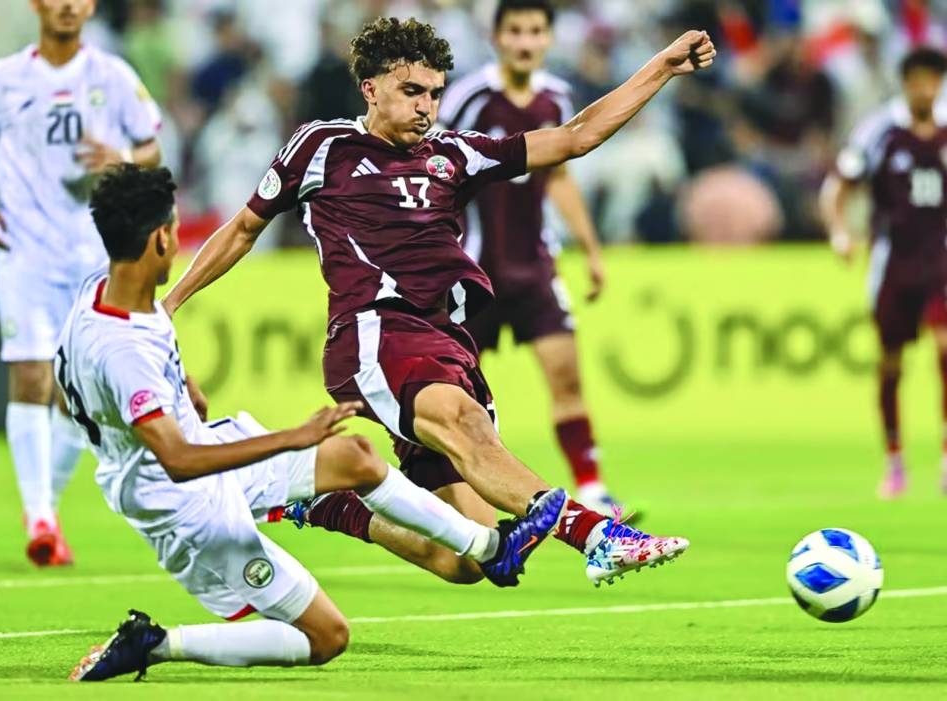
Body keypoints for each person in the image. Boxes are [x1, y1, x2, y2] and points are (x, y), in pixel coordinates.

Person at [164, 17, 714, 586]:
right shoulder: (321, 147)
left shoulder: (455, 155)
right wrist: (171, 301)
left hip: (449, 343)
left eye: (434, 93)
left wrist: (662, 68)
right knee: (463, 421)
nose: (427, 106)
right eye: (411, 92)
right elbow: (242, 229)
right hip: (377, 332)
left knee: (465, 558)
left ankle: (314, 503)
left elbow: (575, 137)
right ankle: (597, 535)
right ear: (371, 89)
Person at [63, 164, 566, 682]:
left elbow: (96, 376)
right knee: (326, 637)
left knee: (357, 459)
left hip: (202, 456)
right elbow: (178, 461)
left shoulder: (101, 293)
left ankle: (494, 549)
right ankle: (155, 643)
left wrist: (173, 382)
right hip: (182, 505)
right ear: (161, 237)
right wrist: (295, 438)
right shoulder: (122, 350)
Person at [0, 0, 162, 566]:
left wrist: (120, 157)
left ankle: (48, 503)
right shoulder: (3, 78)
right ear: (37, 5)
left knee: (75, 396)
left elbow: (152, 145)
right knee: (30, 375)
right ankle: (39, 514)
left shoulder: (112, 75)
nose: (68, 6)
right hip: (23, 253)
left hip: (92, 252)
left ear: (90, 7)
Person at [438, 0, 622, 516]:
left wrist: (591, 248)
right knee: (459, 388)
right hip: (474, 267)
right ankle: (458, 490)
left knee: (566, 373)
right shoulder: (469, 98)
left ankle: (592, 488)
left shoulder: (558, 98)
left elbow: (558, 174)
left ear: (548, 39)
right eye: (515, 31)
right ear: (497, 37)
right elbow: (436, 168)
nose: (525, 41)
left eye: (535, 31)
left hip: (535, 264)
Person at [821, 47, 947, 498]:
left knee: (945, 346)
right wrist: (840, 232)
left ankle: (946, 459)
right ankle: (894, 460)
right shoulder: (881, 132)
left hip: (941, 258)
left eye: (933, 79)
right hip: (894, 259)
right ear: (906, 82)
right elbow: (840, 184)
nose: (925, 88)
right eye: (917, 79)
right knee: (891, 363)